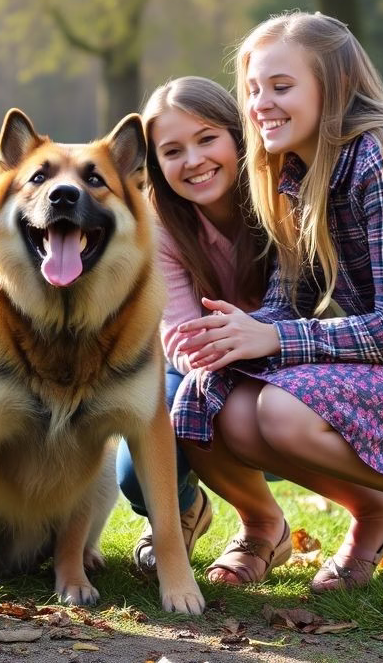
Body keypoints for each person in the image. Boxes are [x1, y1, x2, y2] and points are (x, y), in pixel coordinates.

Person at [173, 11, 383, 597]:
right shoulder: (297, 172)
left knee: (282, 411)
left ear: (334, 87)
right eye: (253, 89)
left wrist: (274, 338)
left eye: (282, 86)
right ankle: (377, 512)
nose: (260, 104)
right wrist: (238, 333)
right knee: (217, 401)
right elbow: (289, 301)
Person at [116, 76, 274, 582]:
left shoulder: (280, 200)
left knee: (253, 418)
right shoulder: (159, 225)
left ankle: (263, 526)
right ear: (156, 165)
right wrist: (220, 358)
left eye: (207, 139)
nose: (194, 160)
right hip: (199, 366)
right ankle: (184, 510)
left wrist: (251, 342)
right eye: (172, 151)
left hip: (286, 361)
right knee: (135, 470)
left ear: (238, 136)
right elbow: (180, 334)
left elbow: (302, 309)